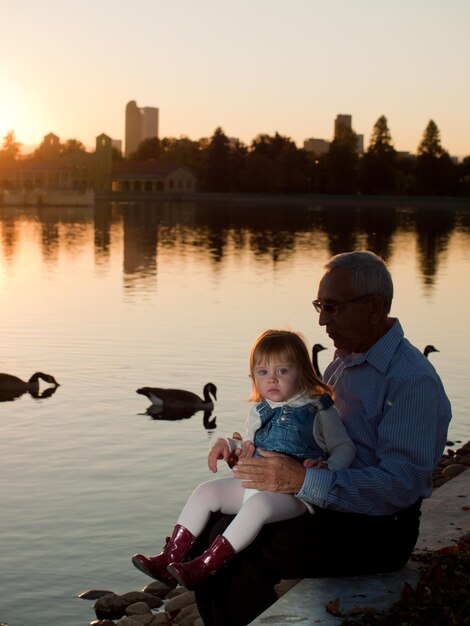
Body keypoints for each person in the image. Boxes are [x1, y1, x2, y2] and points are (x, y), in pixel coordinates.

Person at [191, 250, 452, 626]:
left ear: (374, 307)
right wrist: (255, 452)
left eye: (332, 307)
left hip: (378, 531)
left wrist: (302, 480)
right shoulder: (343, 362)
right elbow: (312, 438)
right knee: (210, 528)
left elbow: (401, 485)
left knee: (238, 552)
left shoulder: (412, 381)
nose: (321, 319)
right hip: (327, 507)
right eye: (319, 305)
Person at [131, 329, 355, 590]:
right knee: (206, 491)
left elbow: (345, 447)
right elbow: (248, 444)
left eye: (282, 371)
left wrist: (328, 467)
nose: (272, 379)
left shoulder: (318, 410)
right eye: (263, 373)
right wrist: (228, 444)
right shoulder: (258, 412)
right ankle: (170, 557)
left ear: (302, 372)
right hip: (254, 483)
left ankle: (206, 565)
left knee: (258, 504)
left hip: (294, 495)